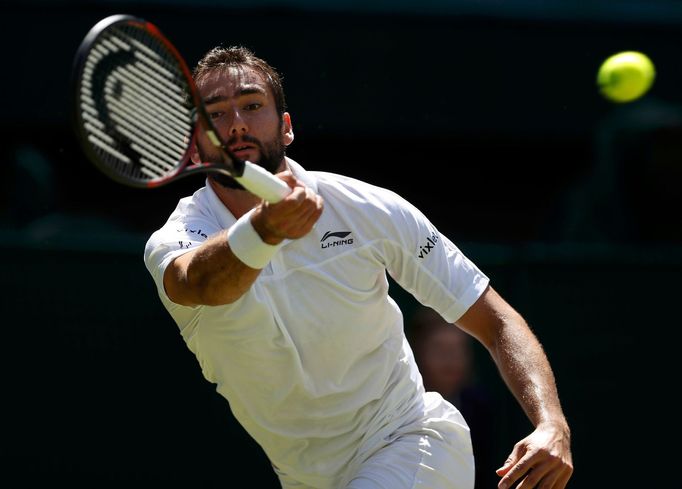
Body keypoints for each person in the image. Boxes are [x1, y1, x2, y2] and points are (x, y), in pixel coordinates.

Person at [143, 45, 573, 489]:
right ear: (197, 141)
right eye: (216, 114)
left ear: (286, 128)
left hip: (412, 443)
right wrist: (264, 229)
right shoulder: (178, 240)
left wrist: (551, 423)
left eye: (252, 106)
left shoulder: (371, 210)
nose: (236, 124)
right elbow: (201, 284)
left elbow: (495, 319)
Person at [407, 306, 497, 489]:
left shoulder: (479, 406)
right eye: (439, 349)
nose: (450, 359)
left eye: (458, 349)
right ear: (417, 352)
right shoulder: (400, 404)